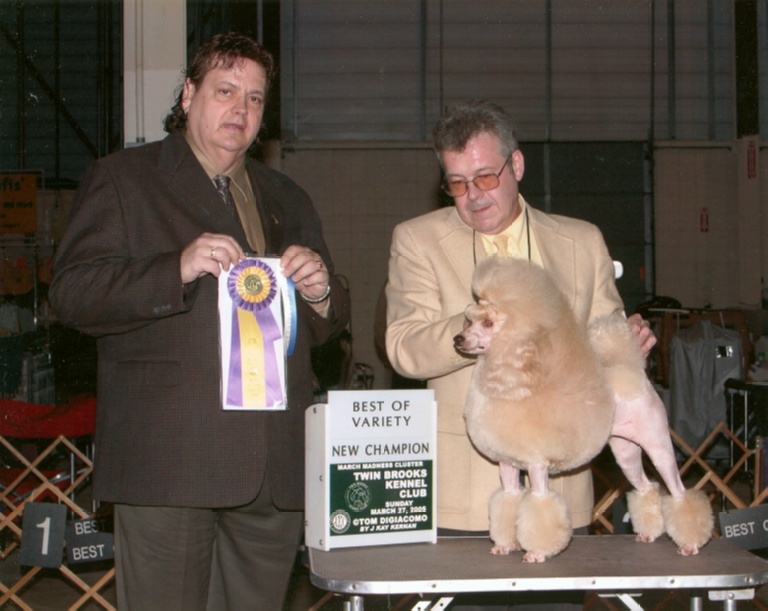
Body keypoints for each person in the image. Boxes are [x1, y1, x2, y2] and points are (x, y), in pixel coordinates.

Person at [49, 33, 349, 610]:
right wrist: (175, 269)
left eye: (255, 98)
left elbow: (325, 323)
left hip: (273, 472)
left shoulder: (289, 196)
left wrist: (320, 294)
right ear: (188, 95)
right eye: (225, 91)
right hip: (171, 463)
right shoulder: (123, 178)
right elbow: (72, 294)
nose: (241, 109)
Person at [385, 100, 654, 607]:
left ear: (517, 165)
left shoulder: (581, 241)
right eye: (457, 183)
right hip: (464, 502)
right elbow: (403, 349)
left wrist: (626, 342)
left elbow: (603, 342)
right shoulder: (417, 240)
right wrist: (482, 324)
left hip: (559, 499)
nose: (473, 195)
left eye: (486, 177)